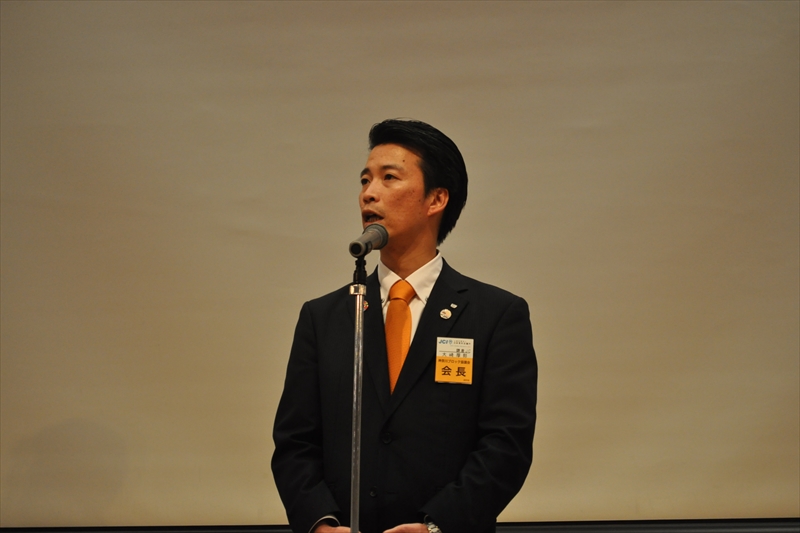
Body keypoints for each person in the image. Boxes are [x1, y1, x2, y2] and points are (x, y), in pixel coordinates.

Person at [272, 119, 537, 533]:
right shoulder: (324, 318)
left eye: (389, 178)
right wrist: (319, 523)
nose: (368, 193)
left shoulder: (495, 315)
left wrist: (438, 526)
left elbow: (506, 445)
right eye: (365, 180)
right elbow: (295, 443)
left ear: (436, 199)